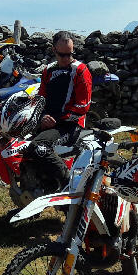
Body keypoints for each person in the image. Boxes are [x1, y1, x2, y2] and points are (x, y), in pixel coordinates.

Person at [24, 32, 94, 189]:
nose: (66, 58)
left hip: (70, 125)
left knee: (38, 147)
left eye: (70, 54)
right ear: (54, 50)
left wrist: (57, 119)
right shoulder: (48, 71)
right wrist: (42, 117)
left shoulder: (81, 70)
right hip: (48, 123)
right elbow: (41, 99)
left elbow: (84, 106)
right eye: (62, 54)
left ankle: (68, 185)